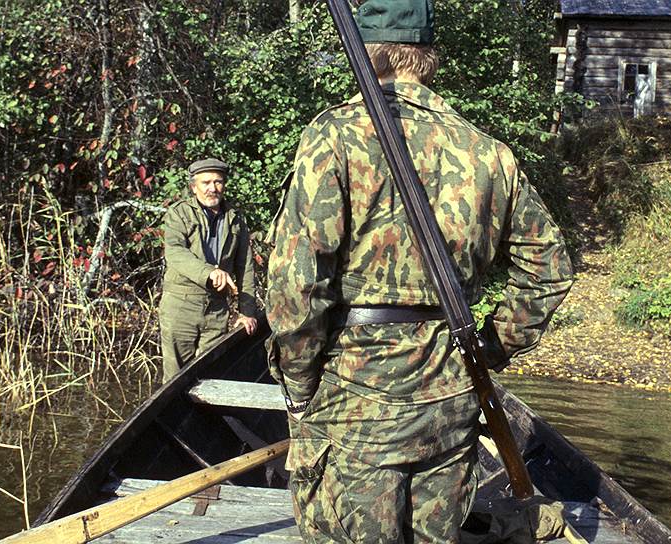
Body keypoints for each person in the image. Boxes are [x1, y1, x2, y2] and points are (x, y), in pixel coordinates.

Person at [265, 0, 574, 541]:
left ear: (368, 53)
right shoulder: (487, 151)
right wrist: (487, 350)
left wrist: (300, 384)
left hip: (354, 401)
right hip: (449, 402)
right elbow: (549, 268)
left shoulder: (335, 135)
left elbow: (297, 284)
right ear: (427, 56)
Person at [160, 158, 258, 383]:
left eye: (218, 182)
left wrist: (247, 311)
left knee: (209, 376)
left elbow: (245, 266)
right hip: (181, 306)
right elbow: (175, 252)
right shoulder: (179, 213)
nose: (212, 188)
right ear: (194, 187)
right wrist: (210, 272)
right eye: (205, 183)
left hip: (216, 309)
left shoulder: (235, 218)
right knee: (174, 380)